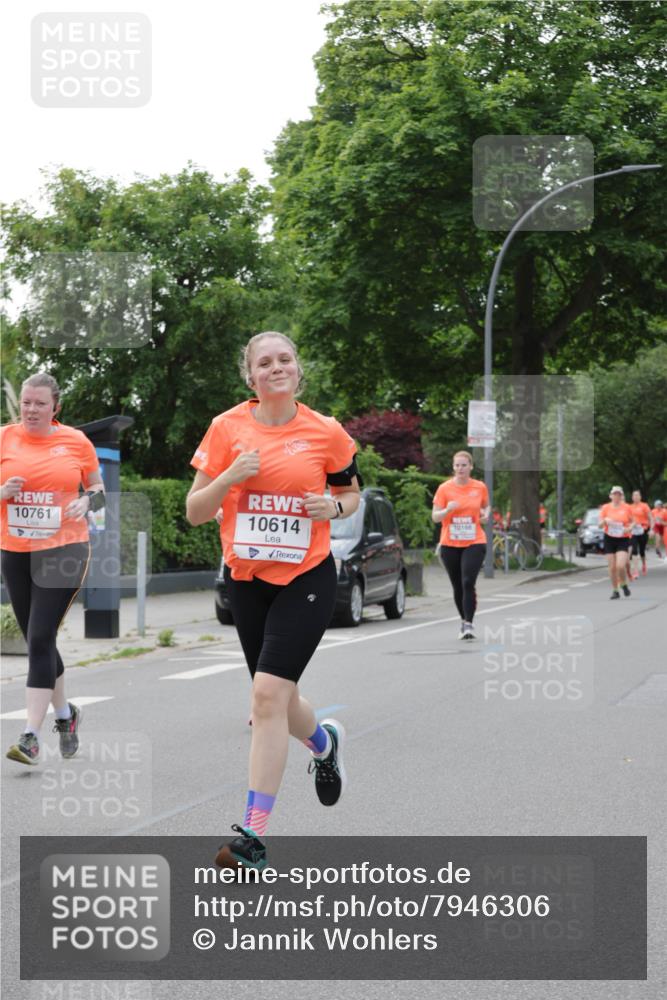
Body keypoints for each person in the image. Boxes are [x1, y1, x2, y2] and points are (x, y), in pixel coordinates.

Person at [186, 332, 361, 870]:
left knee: (264, 696)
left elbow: (352, 493)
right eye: (265, 362)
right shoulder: (226, 429)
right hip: (247, 580)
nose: (276, 367)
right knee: (279, 703)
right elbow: (195, 510)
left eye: (285, 359)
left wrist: (331, 510)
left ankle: (251, 837)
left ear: (297, 369)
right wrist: (231, 477)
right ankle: (324, 745)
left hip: (307, 575)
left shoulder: (325, 431)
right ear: (251, 377)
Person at [1, 374, 104, 765]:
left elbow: (97, 490)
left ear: (55, 407)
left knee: (40, 637)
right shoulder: (4, 438)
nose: (30, 410)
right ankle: (65, 714)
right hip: (15, 550)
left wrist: (86, 504)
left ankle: (30, 735)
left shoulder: (75, 441)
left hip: (65, 550)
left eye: (39, 404)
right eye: (26, 402)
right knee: (37, 640)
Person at [432, 451, 490, 640]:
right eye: (457, 465)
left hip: (475, 541)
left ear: (471, 467)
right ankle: (464, 619)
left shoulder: (479, 487)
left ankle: (468, 624)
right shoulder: (444, 489)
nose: (460, 469)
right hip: (450, 542)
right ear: (453, 467)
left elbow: (486, 506)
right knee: (457, 585)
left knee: (467, 582)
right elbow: (435, 517)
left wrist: (486, 514)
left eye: (464, 465)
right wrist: (447, 510)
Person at [599, 486, 635, 599]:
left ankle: (623, 583)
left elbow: (633, 522)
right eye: (614, 494)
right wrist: (605, 521)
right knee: (612, 567)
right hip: (609, 538)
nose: (616, 496)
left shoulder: (627, 507)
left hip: (623, 538)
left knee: (620, 565)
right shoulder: (605, 508)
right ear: (610, 496)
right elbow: (599, 525)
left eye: (619, 494)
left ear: (621, 496)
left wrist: (629, 528)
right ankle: (615, 590)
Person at [628, 490, 652, 579]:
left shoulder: (644, 506)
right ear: (632, 497)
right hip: (633, 531)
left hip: (643, 530)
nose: (635, 497)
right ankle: (635, 571)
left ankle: (644, 564)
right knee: (634, 550)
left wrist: (651, 529)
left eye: (637, 495)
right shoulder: (630, 507)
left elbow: (650, 518)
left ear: (640, 497)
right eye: (634, 495)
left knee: (642, 550)